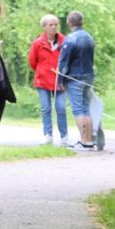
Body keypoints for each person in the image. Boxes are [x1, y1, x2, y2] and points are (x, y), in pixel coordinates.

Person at [57, 10, 96, 151]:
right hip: (88, 77)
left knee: (78, 110)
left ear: (69, 23)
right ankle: (89, 141)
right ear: (82, 22)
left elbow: (63, 62)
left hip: (74, 78)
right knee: (86, 109)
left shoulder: (70, 39)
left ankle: (84, 142)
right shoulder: (89, 37)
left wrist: (60, 80)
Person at [28, 14, 69, 146]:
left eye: (56, 24)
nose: (54, 27)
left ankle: (64, 137)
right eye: (50, 25)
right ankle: (48, 135)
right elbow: (32, 62)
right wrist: (43, 71)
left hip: (60, 81)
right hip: (43, 81)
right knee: (46, 108)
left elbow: (69, 61)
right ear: (44, 27)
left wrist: (63, 77)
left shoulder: (65, 42)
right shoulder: (38, 43)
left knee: (61, 108)